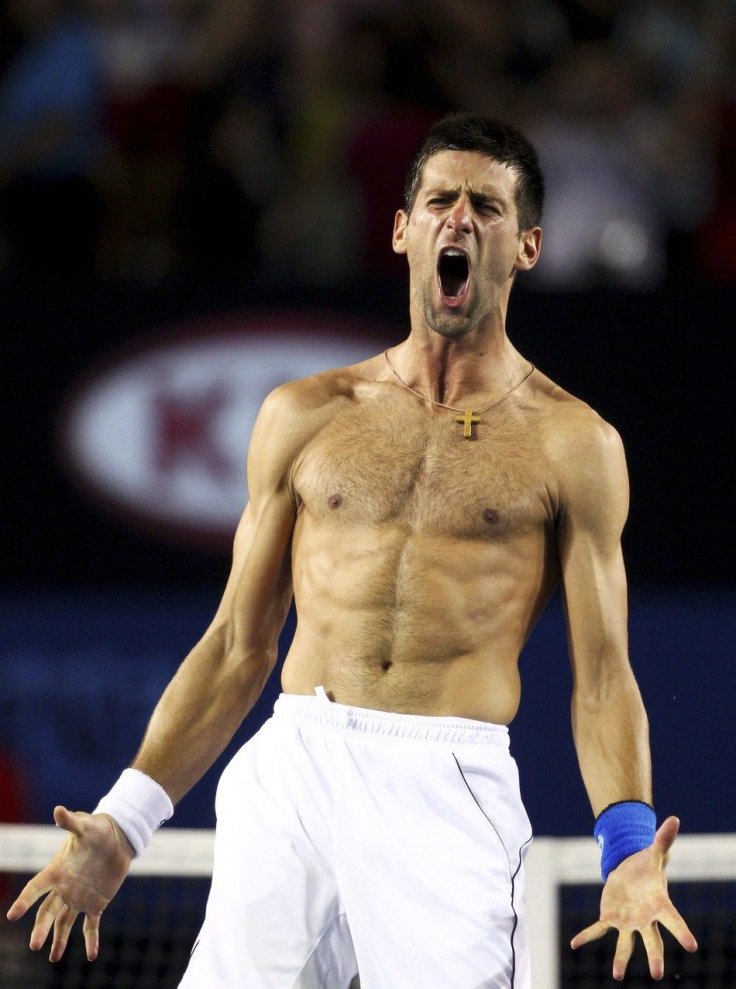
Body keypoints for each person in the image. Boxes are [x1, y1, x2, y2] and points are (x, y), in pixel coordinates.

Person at [7, 113, 697, 986]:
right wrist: (123, 821)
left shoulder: (575, 445)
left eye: (486, 207)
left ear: (525, 247)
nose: (459, 220)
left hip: (448, 785)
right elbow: (236, 646)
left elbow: (604, 678)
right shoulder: (306, 414)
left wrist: (629, 848)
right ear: (403, 230)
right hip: (294, 763)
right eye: (440, 200)